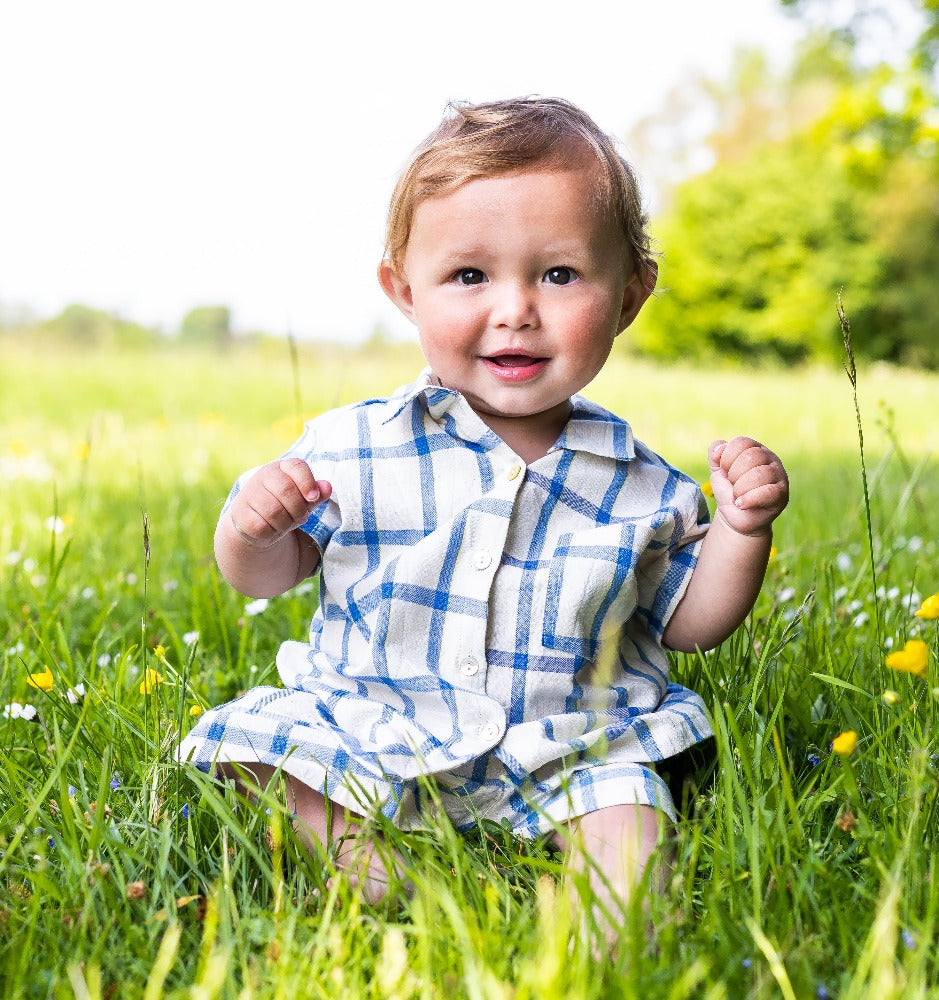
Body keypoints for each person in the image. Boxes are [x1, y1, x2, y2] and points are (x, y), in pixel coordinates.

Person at [176, 96, 789, 930]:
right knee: (263, 759)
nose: (515, 309)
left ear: (630, 295)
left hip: (572, 747)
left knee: (628, 816)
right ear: (405, 290)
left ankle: (602, 939)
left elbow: (693, 624)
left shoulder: (643, 485)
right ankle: (391, 879)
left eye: (559, 274)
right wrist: (253, 529)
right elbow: (269, 574)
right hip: (376, 725)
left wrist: (741, 533)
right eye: (470, 276)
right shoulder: (355, 447)